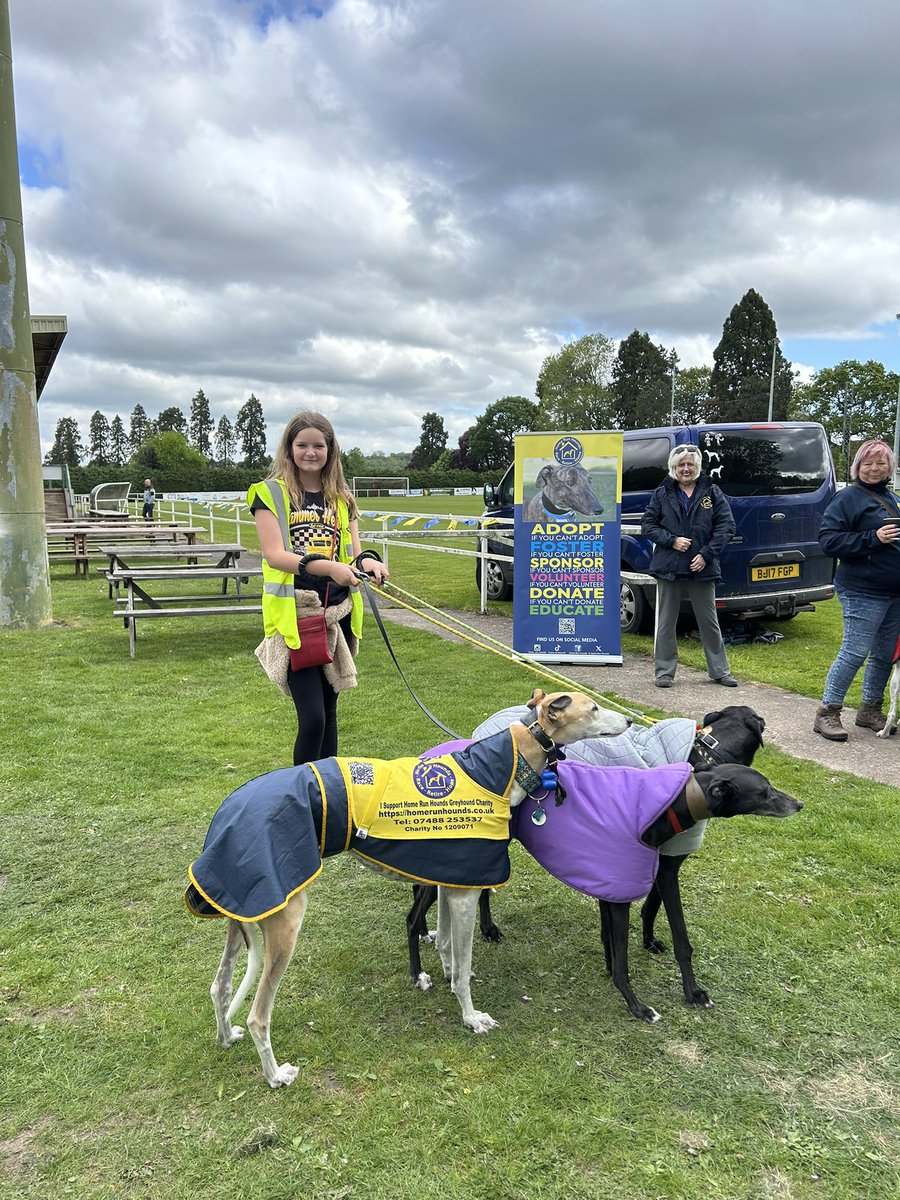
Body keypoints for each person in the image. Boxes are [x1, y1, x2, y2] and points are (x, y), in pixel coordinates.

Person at [249, 411, 390, 765]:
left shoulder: (342, 498)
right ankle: (302, 796)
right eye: (302, 445)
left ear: (330, 450)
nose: (310, 452)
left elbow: (355, 555)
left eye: (318, 445)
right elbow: (274, 555)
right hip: (297, 617)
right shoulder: (269, 494)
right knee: (312, 719)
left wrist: (368, 563)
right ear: (289, 448)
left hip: (335, 616)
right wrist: (329, 568)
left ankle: (328, 796)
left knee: (328, 714)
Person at [813, 439, 900, 741]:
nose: (874, 468)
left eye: (881, 463)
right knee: (854, 652)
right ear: (858, 466)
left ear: (890, 466)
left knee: (884, 655)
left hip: (893, 592)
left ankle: (869, 710)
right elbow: (829, 541)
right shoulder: (847, 499)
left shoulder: (891, 497)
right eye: (868, 463)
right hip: (863, 591)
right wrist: (873, 537)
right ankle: (827, 712)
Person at [641, 444, 738, 689]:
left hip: (701, 568)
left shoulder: (712, 492)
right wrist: (671, 540)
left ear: (698, 467)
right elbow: (648, 525)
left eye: (690, 464)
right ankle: (664, 672)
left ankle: (720, 671)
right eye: (681, 464)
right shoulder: (662, 492)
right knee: (665, 622)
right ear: (673, 468)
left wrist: (706, 554)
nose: (686, 468)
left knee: (709, 621)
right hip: (669, 567)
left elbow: (726, 527)